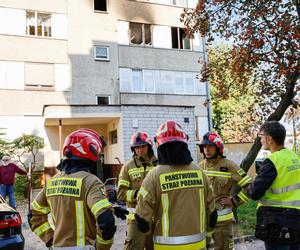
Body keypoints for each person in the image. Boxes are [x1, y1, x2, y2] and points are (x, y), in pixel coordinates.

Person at [28, 129, 118, 250]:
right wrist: (101, 247)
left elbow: (33, 214)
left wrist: (49, 238)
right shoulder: (90, 181)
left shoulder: (52, 182)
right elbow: (106, 220)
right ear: (90, 150)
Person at [135, 120, 217, 250]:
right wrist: (207, 238)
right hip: (199, 245)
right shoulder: (200, 173)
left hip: (165, 246)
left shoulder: (153, 176)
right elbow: (212, 215)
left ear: (159, 145)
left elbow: (141, 220)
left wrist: (150, 236)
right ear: (184, 144)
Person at [245, 121, 300, 250]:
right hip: (296, 221)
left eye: (261, 136)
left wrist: (248, 186)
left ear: (269, 139)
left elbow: (255, 193)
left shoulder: (272, 161)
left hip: (277, 222)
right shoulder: (294, 157)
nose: (260, 140)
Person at [198, 132, 252, 250]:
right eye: (204, 147)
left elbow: (250, 188)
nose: (207, 150)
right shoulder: (200, 166)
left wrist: (234, 200)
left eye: (210, 146)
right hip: (203, 220)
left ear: (218, 148)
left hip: (222, 222)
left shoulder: (230, 166)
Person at [117, 131, 157, 250]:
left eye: (142, 146)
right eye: (136, 147)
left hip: (155, 218)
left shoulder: (158, 165)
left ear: (148, 147)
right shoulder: (127, 167)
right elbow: (121, 194)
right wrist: (138, 195)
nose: (139, 150)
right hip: (135, 218)